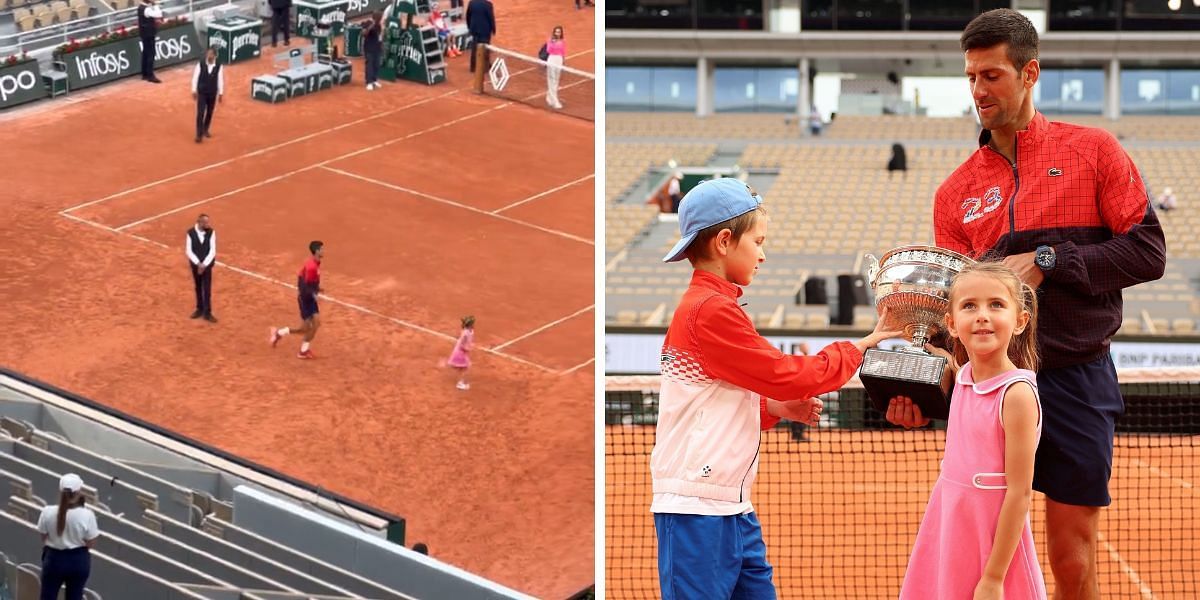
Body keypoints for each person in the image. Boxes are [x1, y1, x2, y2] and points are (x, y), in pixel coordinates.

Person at [888, 10, 1166, 600]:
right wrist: (923, 390)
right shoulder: (955, 193)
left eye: (992, 76)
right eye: (971, 78)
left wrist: (1050, 261)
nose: (978, 91)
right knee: (978, 555)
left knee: (1072, 558)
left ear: (1029, 72)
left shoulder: (1094, 152)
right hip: (986, 388)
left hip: (1077, 380)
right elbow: (952, 318)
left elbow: (1147, 252)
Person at [651, 178, 901, 599]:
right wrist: (862, 345)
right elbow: (787, 375)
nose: (763, 254)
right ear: (725, 242)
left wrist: (777, 411)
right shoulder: (709, 310)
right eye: (759, 241)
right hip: (697, 508)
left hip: (731, 505)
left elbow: (720, 403)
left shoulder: (717, 306)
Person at [900, 262, 1047, 599]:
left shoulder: (1018, 395)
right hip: (949, 525)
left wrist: (994, 577)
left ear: (1020, 321)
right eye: (969, 306)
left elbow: (1020, 493)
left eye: (996, 304)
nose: (982, 315)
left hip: (993, 539)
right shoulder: (963, 374)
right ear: (951, 324)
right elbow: (950, 363)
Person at [37, 473, 99, 600]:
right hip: (78, 561)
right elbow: (91, 543)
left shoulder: (47, 512)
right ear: (78, 492)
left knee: (47, 596)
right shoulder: (87, 515)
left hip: (53, 559)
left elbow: (44, 536)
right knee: (75, 596)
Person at [270, 241, 326, 359]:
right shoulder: (312, 266)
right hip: (305, 300)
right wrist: (313, 293)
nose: (323, 250)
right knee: (305, 328)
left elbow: (305, 279)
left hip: (309, 298)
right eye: (321, 249)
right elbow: (304, 285)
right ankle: (284, 337)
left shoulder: (315, 263)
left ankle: (296, 345)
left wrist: (317, 289)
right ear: (316, 251)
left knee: (313, 324)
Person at [185, 213, 217, 322]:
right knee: (198, 286)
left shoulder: (211, 232)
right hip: (196, 265)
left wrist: (204, 264)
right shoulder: (190, 233)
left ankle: (207, 312)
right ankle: (199, 308)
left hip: (207, 266)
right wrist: (198, 263)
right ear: (200, 223)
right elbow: (188, 250)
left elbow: (212, 250)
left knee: (207, 288)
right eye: (206, 222)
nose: (208, 224)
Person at [191, 48, 224, 144]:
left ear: (215, 56)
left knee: (209, 112)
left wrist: (221, 93)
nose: (209, 56)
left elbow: (220, 79)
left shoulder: (218, 65)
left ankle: (205, 129)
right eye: (208, 54)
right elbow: (195, 77)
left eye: (211, 54)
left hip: (212, 93)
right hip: (202, 92)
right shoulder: (200, 64)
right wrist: (193, 90)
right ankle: (199, 134)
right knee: (200, 113)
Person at [136, 0, 163, 83]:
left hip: (145, 33)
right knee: (151, 53)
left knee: (145, 53)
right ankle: (150, 75)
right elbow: (158, 14)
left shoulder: (142, 7)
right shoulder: (146, 9)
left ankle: (145, 74)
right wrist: (155, 5)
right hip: (149, 33)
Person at [445, 315, 475, 390]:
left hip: (462, 352)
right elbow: (462, 344)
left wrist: (470, 345)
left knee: (462, 368)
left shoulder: (470, 331)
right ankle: (460, 383)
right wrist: (468, 348)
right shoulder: (465, 333)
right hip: (460, 352)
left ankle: (461, 382)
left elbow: (469, 341)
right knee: (464, 367)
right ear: (470, 324)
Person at [465, 0, 494, 74]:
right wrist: (493, 29)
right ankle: (486, 67)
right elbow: (491, 18)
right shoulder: (488, 4)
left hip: (474, 29)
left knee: (474, 48)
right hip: (485, 30)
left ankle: (473, 67)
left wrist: (470, 27)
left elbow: (468, 16)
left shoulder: (472, 3)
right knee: (485, 48)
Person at [544, 25, 565, 110]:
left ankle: (549, 97)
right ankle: (554, 100)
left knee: (556, 80)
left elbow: (563, 52)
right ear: (554, 32)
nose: (557, 33)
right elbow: (548, 50)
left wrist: (563, 62)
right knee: (551, 80)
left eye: (559, 32)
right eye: (556, 32)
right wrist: (552, 43)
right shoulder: (550, 40)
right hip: (552, 59)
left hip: (559, 60)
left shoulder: (563, 41)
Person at [363, 12, 383, 90]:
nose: (381, 19)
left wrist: (381, 46)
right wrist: (371, 27)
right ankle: (369, 82)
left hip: (377, 48)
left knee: (376, 65)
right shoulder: (368, 23)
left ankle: (374, 80)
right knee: (369, 65)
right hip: (369, 48)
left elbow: (379, 36)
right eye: (380, 18)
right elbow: (364, 34)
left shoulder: (378, 25)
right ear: (376, 18)